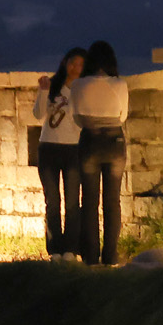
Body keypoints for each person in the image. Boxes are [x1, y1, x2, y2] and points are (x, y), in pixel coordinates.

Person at [70, 40, 129, 266]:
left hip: (90, 142)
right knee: (112, 201)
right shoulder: (120, 85)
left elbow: (76, 118)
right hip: (114, 141)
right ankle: (111, 255)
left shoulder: (78, 86)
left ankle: (91, 256)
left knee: (90, 200)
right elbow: (123, 116)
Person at [34, 47, 86, 259]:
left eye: (81, 64)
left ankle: (71, 249)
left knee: (73, 201)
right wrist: (43, 91)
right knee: (52, 201)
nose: (75, 68)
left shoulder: (83, 90)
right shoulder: (53, 86)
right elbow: (38, 114)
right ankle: (54, 248)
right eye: (73, 63)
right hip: (49, 147)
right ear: (65, 63)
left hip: (74, 148)